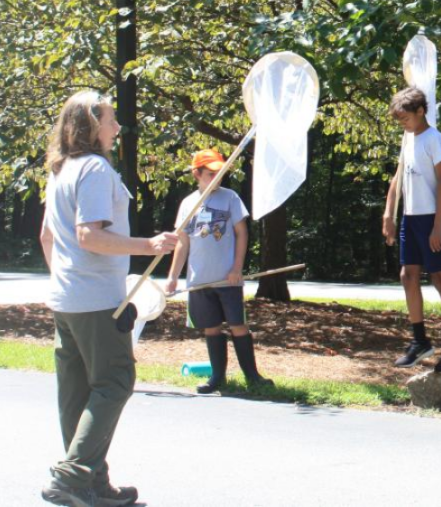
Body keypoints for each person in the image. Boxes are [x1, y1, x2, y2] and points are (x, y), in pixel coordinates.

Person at [38, 90, 178, 506]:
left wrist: (65, 280)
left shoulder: (61, 169)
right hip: (97, 300)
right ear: (90, 125)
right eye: (111, 121)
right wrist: (150, 245)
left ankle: (93, 484)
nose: (118, 128)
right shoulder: (96, 169)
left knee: (77, 393)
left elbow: (48, 236)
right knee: (116, 381)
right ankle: (74, 475)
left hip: (65, 299)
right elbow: (90, 236)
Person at [165, 148, 272, 394]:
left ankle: (253, 376)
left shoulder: (230, 198)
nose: (217, 177)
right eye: (211, 173)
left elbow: (241, 233)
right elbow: (182, 242)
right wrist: (173, 276)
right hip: (199, 280)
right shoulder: (188, 204)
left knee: (237, 325)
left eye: (220, 172)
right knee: (211, 327)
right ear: (196, 173)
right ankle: (217, 378)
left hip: (228, 279)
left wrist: (237, 268)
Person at [381, 87, 441, 372]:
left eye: (405, 118)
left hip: (432, 217)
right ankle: (420, 340)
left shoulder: (434, 139)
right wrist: (389, 213)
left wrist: (438, 225)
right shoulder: (407, 137)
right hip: (410, 217)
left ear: (421, 111)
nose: (402, 123)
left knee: (440, 277)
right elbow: (398, 177)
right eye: (399, 120)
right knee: (407, 275)